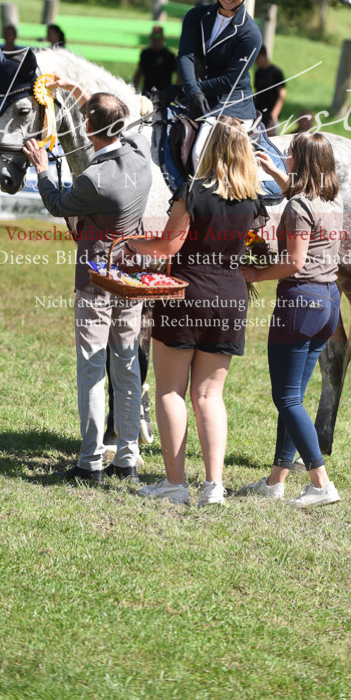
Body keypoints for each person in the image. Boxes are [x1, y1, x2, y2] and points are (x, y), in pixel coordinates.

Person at [127, 117, 268, 506]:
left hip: (186, 295)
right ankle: (214, 486)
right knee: (210, 396)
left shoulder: (192, 191)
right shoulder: (254, 201)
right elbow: (261, 249)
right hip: (231, 300)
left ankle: (175, 484)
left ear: (210, 149)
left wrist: (130, 244)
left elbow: (167, 248)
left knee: (170, 390)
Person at [22, 92, 152, 484]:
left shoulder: (94, 178)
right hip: (130, 276)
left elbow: (58, 204)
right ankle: (127, 457)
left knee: (93, 365)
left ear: (90, 129)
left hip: (97, 278)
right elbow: (133, 132)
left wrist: (43, 169)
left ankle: (90, 460)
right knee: (127, 365)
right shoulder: (142, 159)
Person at [241, 131, 343, 509]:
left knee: (285, 398)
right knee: (293, 398)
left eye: (288, 154)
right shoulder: (332, 202)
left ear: (300, 161)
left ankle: (321, 483)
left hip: (300, 303)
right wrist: (281, 179)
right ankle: (274, 482)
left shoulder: (298, 207)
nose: (284, 156)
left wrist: (251, 275)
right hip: (329, 303)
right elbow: (304, 204)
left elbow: (295, 262)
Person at [172, 0, 262, 123]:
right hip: (197, 96)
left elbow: (229, 81)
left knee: (200, 150)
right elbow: (185, 56)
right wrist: (192, 91)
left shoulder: (250, 34)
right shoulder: (195, 16)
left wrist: (183, 90)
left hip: (232, 106)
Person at [132, 25, 177, 96]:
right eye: (153, 36)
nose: (155, 39)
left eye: (158, 36)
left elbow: (178, 75)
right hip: (147, 92)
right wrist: (133, 89)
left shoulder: (169, 55)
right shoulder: (145, 54)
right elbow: (139, 72)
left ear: (163, 38)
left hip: (164, 94)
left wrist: (175, 92)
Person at [253, 47, 286, 135]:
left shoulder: (276, 72)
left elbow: (282, 94)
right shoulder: (258, 72)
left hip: (271, 112)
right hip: (259, 111)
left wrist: (274, 116)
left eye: (257, 58)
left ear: (263, 56)